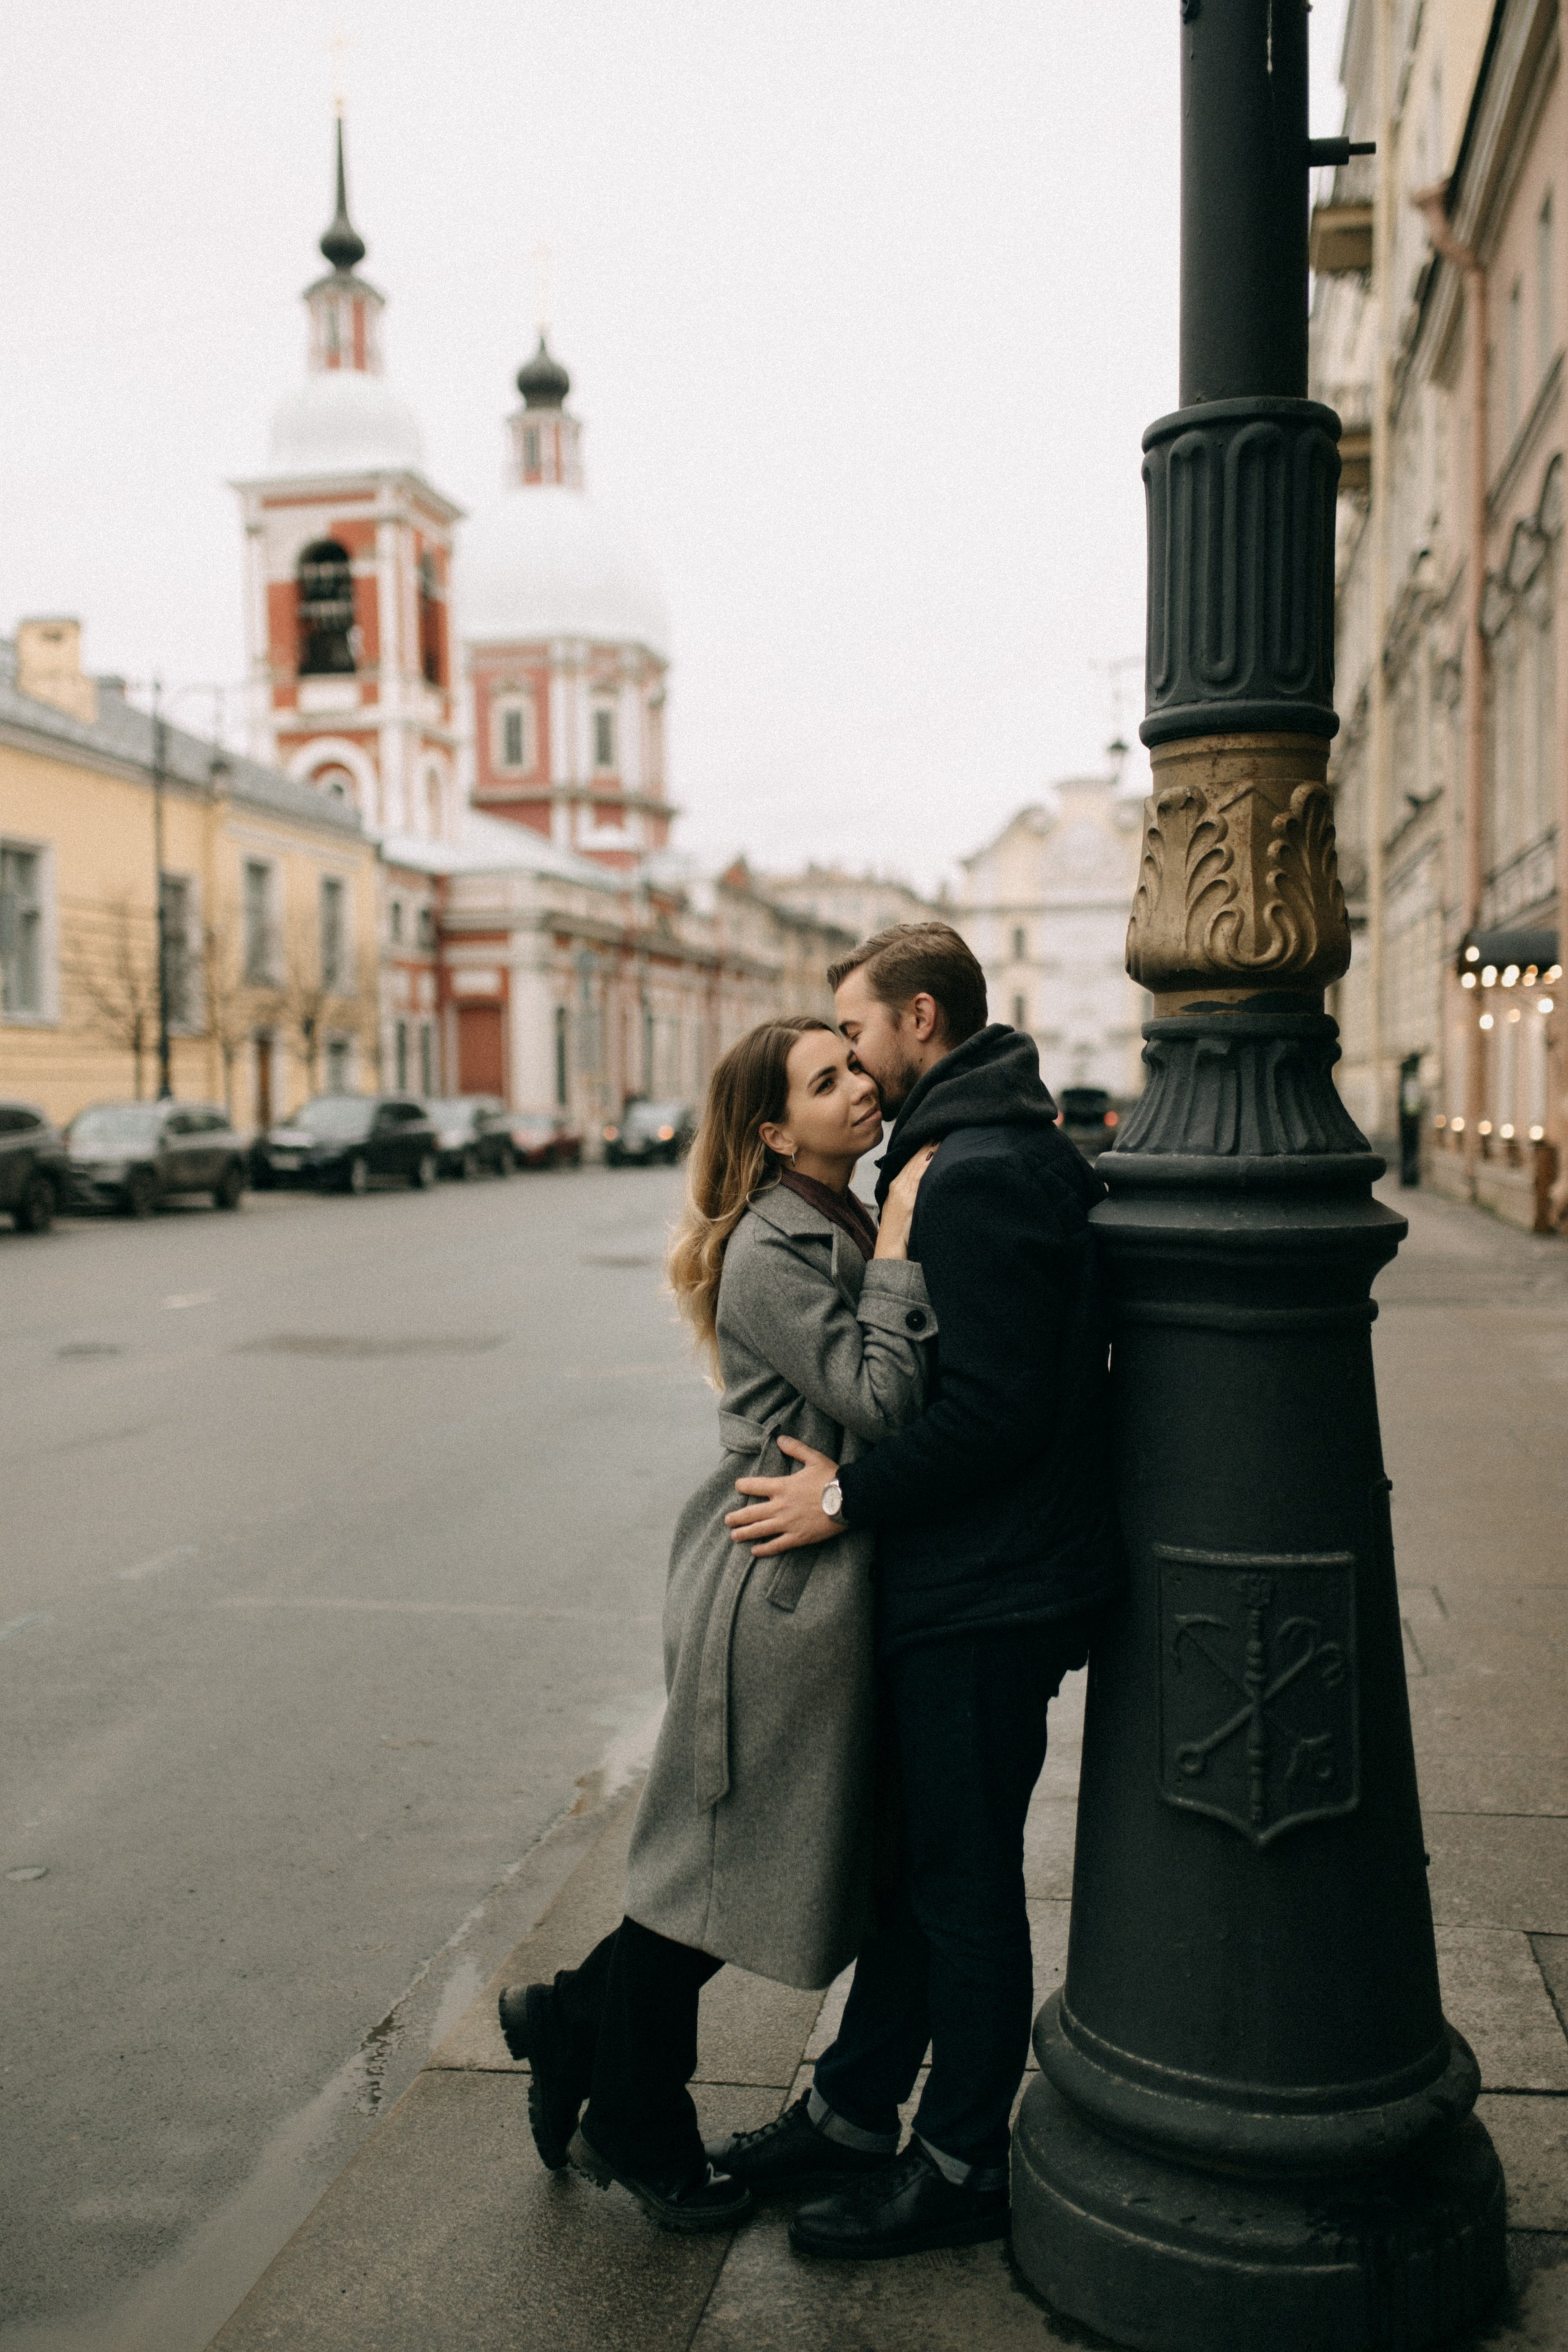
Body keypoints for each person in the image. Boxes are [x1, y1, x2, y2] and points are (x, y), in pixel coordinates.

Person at [716, 922, 1123, 2259]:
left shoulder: (978, 1170)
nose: (848, 1051)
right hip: (963, 1576)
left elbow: (993, 1413)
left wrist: (837, 1496)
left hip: (985, 1590)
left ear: (921, 1023)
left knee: (957, 1886)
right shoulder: (965, 1146)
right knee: (912, 1871)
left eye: (857, 1028)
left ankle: (957, 2162)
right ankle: (848, 2110)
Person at [497, 1013, 938, 2232]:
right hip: (774, 1589)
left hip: (812, 1569)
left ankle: (578, 2022)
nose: (859, 1087)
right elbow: (881, 1398)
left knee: (734, 1862)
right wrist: (901, 1244)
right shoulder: (774, 1248)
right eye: (824, 1079)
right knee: (722, 1867)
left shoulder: (828, 1215)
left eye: (855, 1067)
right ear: (769, 1128)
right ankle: (635, 2118)